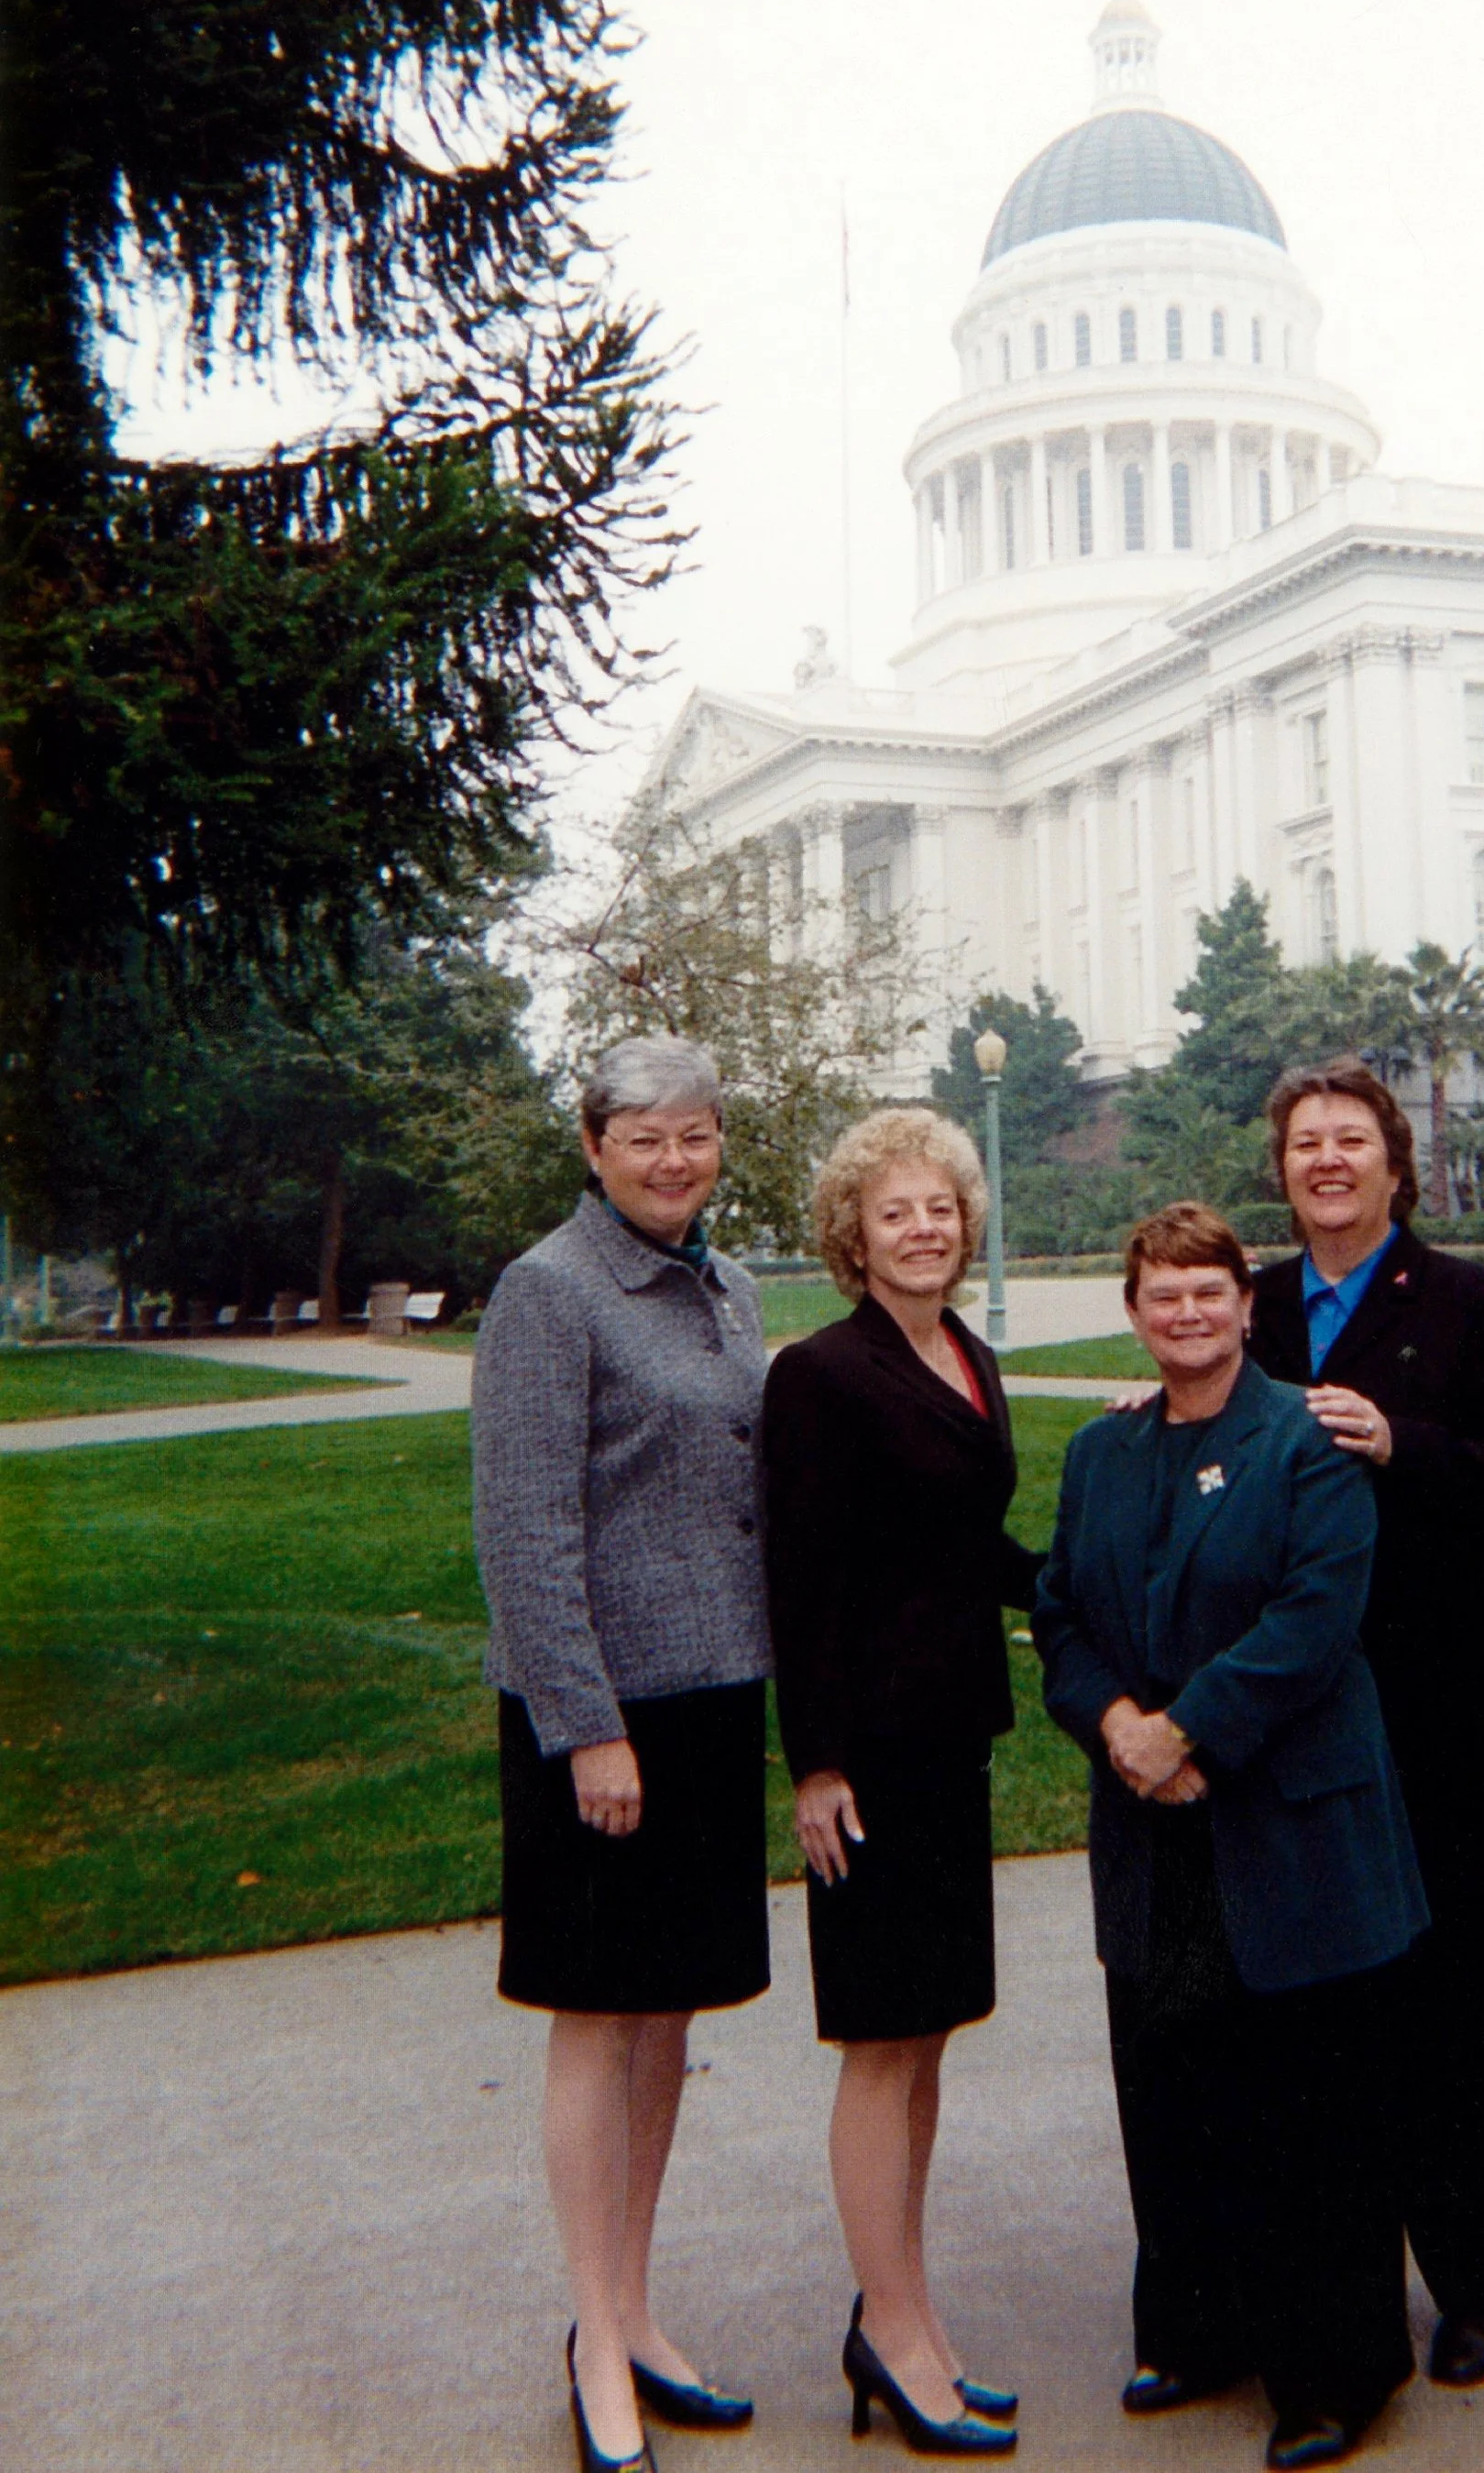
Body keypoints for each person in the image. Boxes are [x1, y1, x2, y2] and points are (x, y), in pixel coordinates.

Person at [1034, 1201, 1430, 2473]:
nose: (1188, 1314)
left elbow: (1318, 1616)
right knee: (1178, 2088)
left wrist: (1187, 1730)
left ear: (1246, 1305)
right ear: (1135, 1312)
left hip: (1289, 1830)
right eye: (1164, 1295)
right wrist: (1114, 1725)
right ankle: (1200, 2332)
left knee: (1313, 2109)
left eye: (1211, 1291)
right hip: (1155, 1836)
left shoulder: (1306, 1440)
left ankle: (1336, 2373)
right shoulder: (1106, 1451)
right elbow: (1061, 1613)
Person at [1248, 1060, 1484, 2391]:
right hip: (1303, 1725)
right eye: (1305, 1144)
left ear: (1395, 1164)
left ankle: (1477, 2285)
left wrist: (1406, 1446)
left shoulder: (1478, 1305)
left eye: (1351, 1141)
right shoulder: (1256, 1306)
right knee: (1328, 2019)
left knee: (1462, 2012)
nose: (1327, 1161)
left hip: (1451, 1715)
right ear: (1282, 1169)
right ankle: (1335, 2285)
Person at [472, 1036, 773, 2473]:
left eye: (697, 1136)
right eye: (644, 1138)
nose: (674, 1162)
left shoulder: (730, 1285)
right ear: (592, 1147)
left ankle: (636, 2313)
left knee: (669, 2020)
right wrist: (585, 1726)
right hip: (601, 1720)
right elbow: (524, 1535)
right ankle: (594, 2343)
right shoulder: (549, 1292)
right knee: (597, 2021)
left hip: (714, 1705)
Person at [763, 1107, 1042, 2459]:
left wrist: (1082, 1576)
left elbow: (968, 1542)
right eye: (896, 1212)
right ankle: (889, 2327)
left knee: (926, 2038)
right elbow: (799, 1580)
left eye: (941, 1207)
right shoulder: (820, 1375)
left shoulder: (966, 1355)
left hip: (951, 1741)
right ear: (853, 1236)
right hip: (866, 1760)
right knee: (880, 2048)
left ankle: (911, 2320)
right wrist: (812, 1762)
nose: (923, 1227)